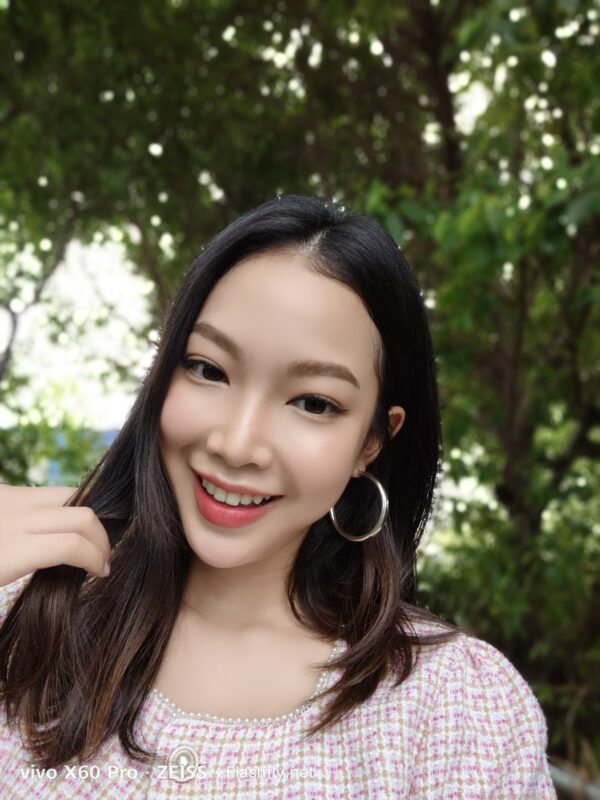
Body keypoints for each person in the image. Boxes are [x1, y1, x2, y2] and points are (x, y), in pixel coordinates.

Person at [0, 194, 556, 798]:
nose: (237, 445)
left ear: (372, 441)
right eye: (208, 369)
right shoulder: (26, 614)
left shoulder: (457, 714)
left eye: (314, 402)